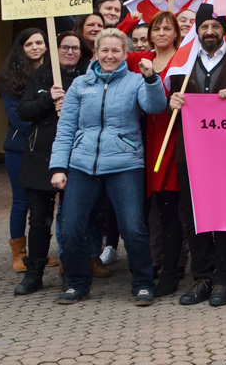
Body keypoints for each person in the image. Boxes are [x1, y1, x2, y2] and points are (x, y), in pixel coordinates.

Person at [49, 29, 167, 305]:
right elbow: (66, 128)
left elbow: (156, 107)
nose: (110, 56)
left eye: (116, 51)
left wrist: (151, 78)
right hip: (82, 164)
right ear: (96, 53)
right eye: (105, 50)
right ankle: (77, 283)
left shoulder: (136, 81)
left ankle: (142, 283)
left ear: (125, 54)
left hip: (124, 164)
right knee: (71, 227)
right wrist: (58, 166)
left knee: (133, 227)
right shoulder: (80, 85)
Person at [168, 5, 226, 308]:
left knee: (224, 217)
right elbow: (172, 107)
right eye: (204, 27)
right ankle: (201, 278)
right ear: (197, 30)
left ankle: (223, 281)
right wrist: (171, 101)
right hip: (190, 151)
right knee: (193, 215)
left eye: (215, 26)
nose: (210, 32)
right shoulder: (183, 63)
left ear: (223, 29)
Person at [14, 31, 87, 295]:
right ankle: (34, 274)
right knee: (40, 221)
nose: (70, 52)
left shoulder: (86, 78)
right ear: (55, 51)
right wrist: (48, 99)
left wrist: (70, 107)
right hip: (40, 158)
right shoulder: (40, 78)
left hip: (75, 158)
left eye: (75, 48)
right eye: (65, 47)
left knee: (72, 220)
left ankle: (71, 272)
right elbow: (24, 111)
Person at [140, 11, 186, 298]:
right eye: (157, 28)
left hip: (171, 140)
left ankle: (172, 271)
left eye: (167, 28)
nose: (161, 33)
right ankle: (147, 268)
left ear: (176, 34)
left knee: (170, 212)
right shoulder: (138, 60)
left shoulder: (183, 61)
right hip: (142, 141)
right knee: (147, 212)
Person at [0, 28, 48, 272]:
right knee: (21, 202)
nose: (36, 47)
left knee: (45, 203)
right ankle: (19, 254)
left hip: (45, 149)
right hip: (19, 149)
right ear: (21, 49)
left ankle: (40, 253)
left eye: (39, 42)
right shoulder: (11, 79)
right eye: (29, 44)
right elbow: (16, 117)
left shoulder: (53, 74)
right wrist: (44, 130)